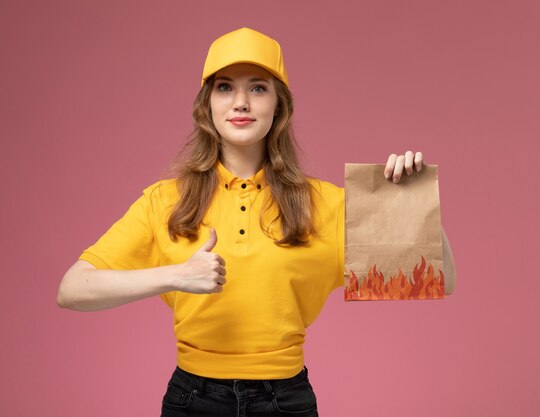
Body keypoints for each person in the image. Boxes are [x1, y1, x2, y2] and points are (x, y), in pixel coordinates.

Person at [57, 27, 456, 417]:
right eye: (225, 87)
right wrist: (175, 275)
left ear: (279, 105)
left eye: (259, 88)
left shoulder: (327, 204)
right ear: (207, 104)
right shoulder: (165, 200)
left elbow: (442, 281)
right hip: (191, 398)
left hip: (286, 400)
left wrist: (410, 202)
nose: (241, 102)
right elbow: (73, 289)